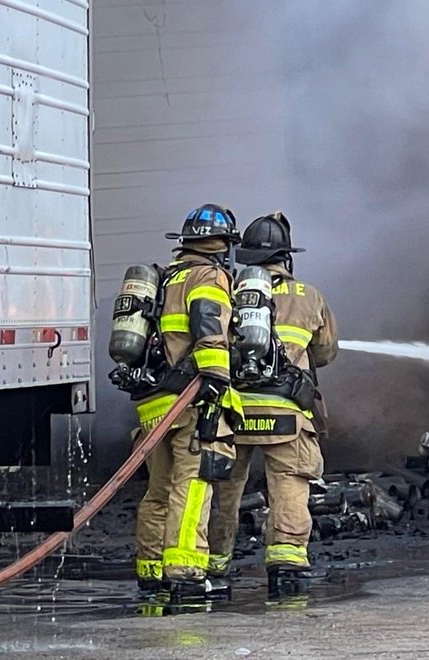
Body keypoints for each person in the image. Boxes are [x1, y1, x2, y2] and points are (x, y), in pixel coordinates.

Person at [207, 211, 338, 597]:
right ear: (287, 257)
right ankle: (286, 562)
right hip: (286, 412)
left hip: (234, 411)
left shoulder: (229, 289)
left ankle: (214, 564)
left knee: (223, 490)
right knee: (290, 485)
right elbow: (326, 353)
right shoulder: (310, 296)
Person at [133, 203, 242, 600]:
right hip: (190, 401)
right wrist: (215, 378)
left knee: (159, 490)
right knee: (192, 486)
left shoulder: (164, 279)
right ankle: (186, 571)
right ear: (223, 246)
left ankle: (151, 569)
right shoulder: (209, 276)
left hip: (154, 404)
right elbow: (209, 326)